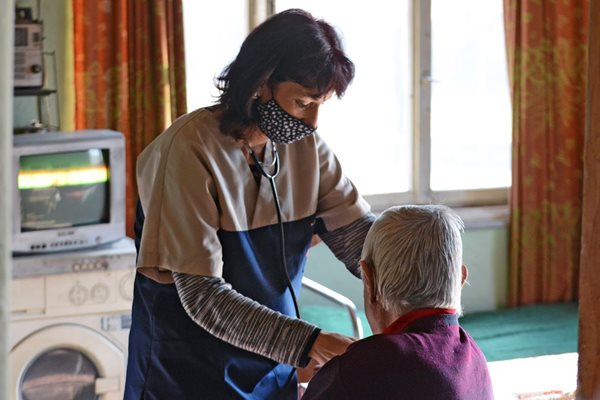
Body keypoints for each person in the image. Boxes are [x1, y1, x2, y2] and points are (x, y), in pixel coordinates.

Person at [124, 9, 376, 400]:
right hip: (185, 372)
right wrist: (311, 342)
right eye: (303, 102)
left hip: (271, 363)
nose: (313, 122)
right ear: (261, 83)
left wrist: (426, 300)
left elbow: (362, 245)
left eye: (320, 104)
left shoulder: (308, 151)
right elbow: (203, 297)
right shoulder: (187, 151)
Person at [302, 205, 494, 400]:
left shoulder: (363, 367)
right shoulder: (475, 359)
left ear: (370, 281)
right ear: (460, 279)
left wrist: (328, 383)